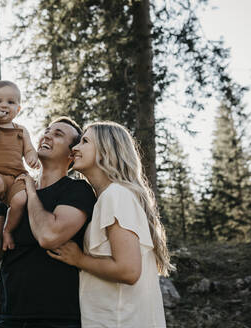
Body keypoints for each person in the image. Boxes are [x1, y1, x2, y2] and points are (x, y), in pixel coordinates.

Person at [47, 121, 173, 328]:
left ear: (106, 151)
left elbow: (128, 271)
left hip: (120, 321)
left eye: (84, 141)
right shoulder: (109, 197)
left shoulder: (116, 195)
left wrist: (78, 259)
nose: (75, 148)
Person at [0, 117, 96, 328]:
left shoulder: (77, 190)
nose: (47, 135)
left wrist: (31, 190)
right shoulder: (13, 189)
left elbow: (51, 235)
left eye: (58, 134)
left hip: (57, 318)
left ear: (71, 154)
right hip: (7, 316)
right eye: (47, 130)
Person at [0, 80, 40, 251]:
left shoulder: (21, 130)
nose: (4, 105)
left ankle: (8, 230)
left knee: (20, 200)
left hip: (16, 176)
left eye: (10, 102)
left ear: (18, 109)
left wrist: (32, 158)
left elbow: (29, 149)